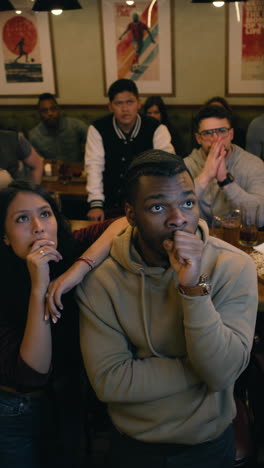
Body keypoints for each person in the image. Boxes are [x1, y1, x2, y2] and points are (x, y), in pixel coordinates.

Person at [77, 149, 257, 468]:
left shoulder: (233, 266)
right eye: (158, 206)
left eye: (187, 203)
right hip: (131, 445)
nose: (178, 218)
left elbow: (221, 372)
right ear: (130, 214)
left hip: (208, 442)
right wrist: (201, 370)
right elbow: (110, 381)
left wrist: (192, 288)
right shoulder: (101, 279)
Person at [0, 179, 127, 468]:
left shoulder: (68, 248)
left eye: (45, 214)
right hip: (14, 408)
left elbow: (125, 222)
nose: (38, 227)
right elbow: (31, 374)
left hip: (66, 397)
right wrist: (38, 288)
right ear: (5, 236)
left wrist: (78, 269)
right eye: (22, 219)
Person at [85, 78, 175, 222]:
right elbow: (94, 166)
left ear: (139, 104)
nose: (125, 109)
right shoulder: (97, 129)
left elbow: (167, 168)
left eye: (130, 102)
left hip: (148, 204)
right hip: (111, 204)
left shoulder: (157, 129)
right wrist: (96, 204)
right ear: (110, 106)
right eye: (119, 103)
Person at [184, 105, 264, 227]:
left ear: (231, 134)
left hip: (237, 240)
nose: (216, 139)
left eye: (222, 131)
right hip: (197, 240)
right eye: (207, 133)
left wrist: (225, 181)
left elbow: (261, 218)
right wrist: (205, 176)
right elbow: (175, 212)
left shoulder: (253, 164)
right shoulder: (184, 166)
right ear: (199, 138)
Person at [29, 93, 88, 162]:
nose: (50, 113)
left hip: (75, 170)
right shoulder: (34, 136)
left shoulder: (75, 126)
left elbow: (95, 142)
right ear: (39, 113)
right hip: (51, 171)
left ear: (58, 109)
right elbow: (36, 163)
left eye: (53, 109)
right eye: (45, 111)